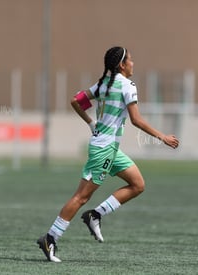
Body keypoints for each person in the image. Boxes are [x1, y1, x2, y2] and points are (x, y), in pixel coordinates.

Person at [37, 46, 180, 262]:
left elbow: (76, 100)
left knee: (138, 185)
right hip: (104, 150)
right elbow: (137, 120)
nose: (133, 63)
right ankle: (50, 238)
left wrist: (91, 123)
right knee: (82, 196)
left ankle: (95, 215)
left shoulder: (104, 84)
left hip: (109, 148)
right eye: (130, 60)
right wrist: (163, 137)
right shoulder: (127, 85)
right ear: (122, 64)